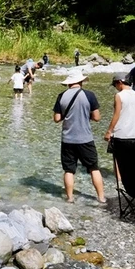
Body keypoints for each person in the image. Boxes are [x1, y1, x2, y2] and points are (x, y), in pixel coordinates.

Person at [53, 72, 106, 204]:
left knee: (69, 170)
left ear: (69, 83)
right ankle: (101, 198)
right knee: (94, 168)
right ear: (81, 82)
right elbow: (97, 117)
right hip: (85, 139)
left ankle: (70, 198)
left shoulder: (61, 96)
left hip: (67, 139)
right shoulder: (89, 95)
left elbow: (57, 119)